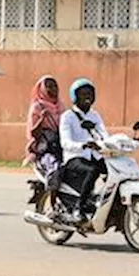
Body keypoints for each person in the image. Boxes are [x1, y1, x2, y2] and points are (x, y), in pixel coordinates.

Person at [59, 78, 107, 219]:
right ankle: (79, 207)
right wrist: (83, 145)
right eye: (83, 94)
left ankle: (100, 201)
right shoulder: (67, 116)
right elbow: (65, 143)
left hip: (94, 155)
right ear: (75, 96)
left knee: (113, 170)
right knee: (92, 170)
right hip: (74, 157)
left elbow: (104, 134)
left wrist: (111, 143)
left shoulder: (95, 115)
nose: (87, 97)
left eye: (90, 94)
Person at [25, 75, 63, 198]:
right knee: (55, 168)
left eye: (55, 86)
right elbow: (33, 133)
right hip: (45, 147)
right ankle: (52, 201)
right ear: (42, 89)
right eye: (49, 86)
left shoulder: (61, 106)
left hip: (60, 144)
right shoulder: (37, 107)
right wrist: (41, 119)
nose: (53, 89)